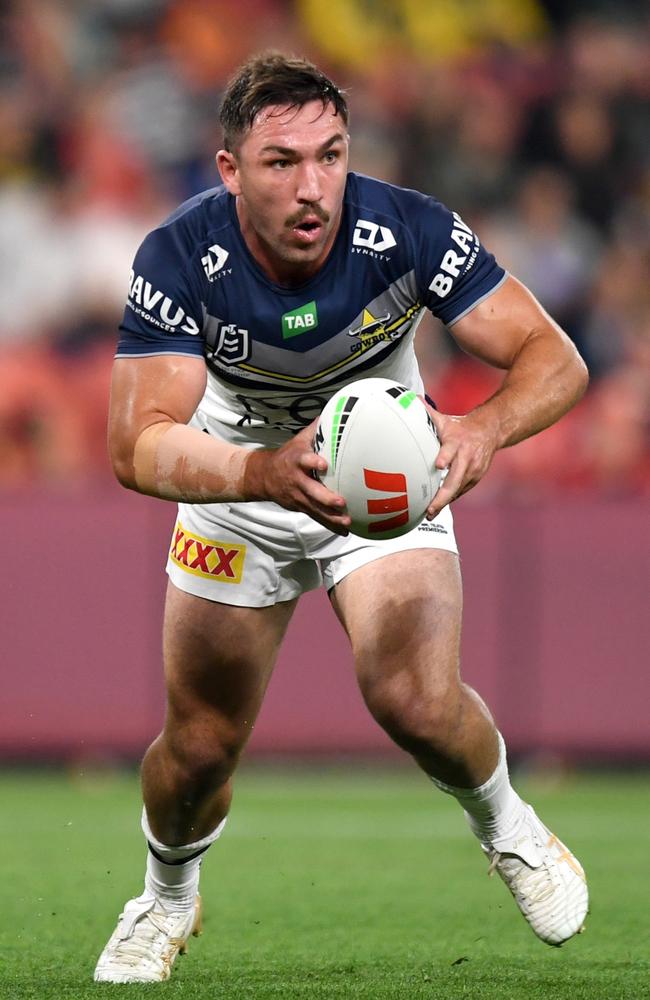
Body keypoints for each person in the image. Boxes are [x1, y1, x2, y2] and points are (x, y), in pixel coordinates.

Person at [94, 53, 589, 984]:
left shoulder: (406, 227)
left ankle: (507, 825)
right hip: (241, 482)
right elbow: (137, 445)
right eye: (281, 162)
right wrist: (259, 472)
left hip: (387, 475)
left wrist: (483, 426)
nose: (312, 186)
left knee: (416, 702)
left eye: (330, 156)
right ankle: (164, 897)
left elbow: (553, 359)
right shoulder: (179, 257)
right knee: (199, 746)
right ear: (230, 168)